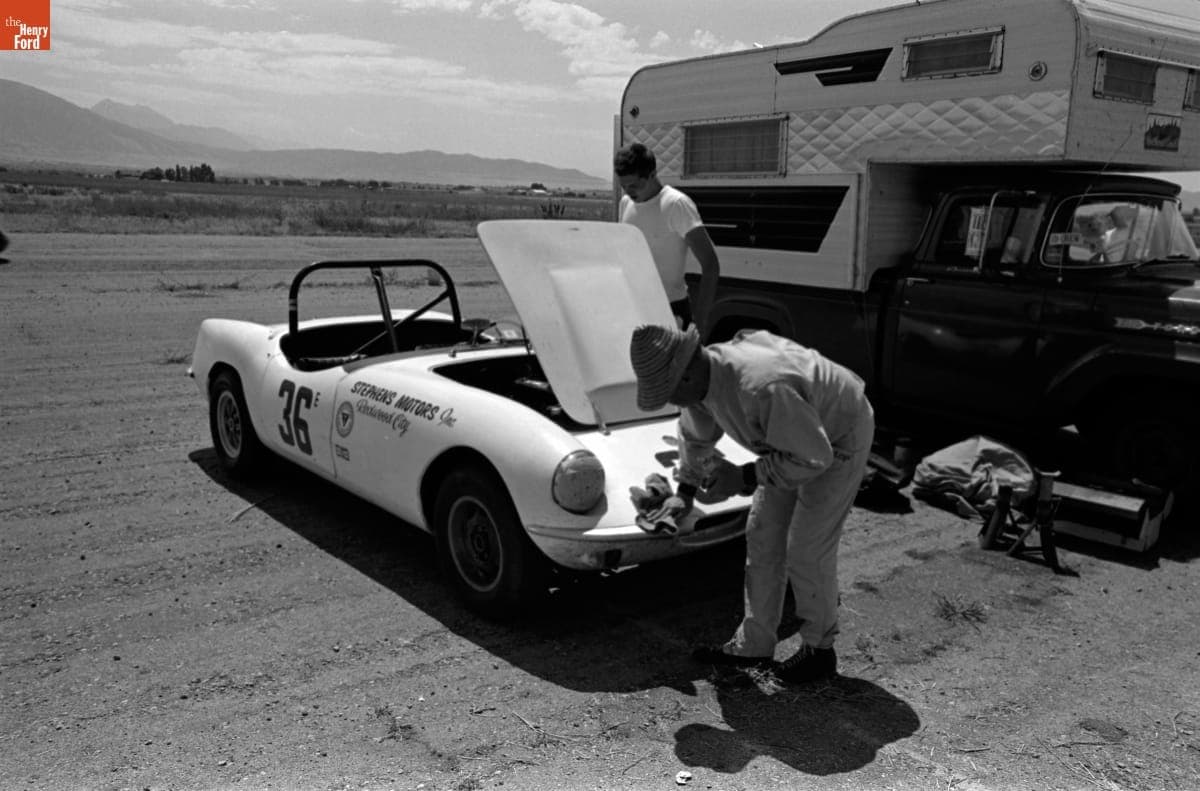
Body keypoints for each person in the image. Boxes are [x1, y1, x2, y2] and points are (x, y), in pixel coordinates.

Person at [629, 324, 875, 682]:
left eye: (670, 394)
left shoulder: (761, 386)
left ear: (686, 375)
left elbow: (813, 458)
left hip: (837, 437)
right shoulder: (702, 381)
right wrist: (685, 492)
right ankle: (754, 645)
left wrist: (743, 476)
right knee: (763, 535)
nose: (673, 402)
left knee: (807, 548)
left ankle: (819, 651)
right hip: (792, 439)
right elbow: (695, 435)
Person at [614, 143, 720, 334]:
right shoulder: (625, 203)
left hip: (671, 311)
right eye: (624, 186)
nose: (629, 191)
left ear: (652, 174)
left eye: (634, 185)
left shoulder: (676, 205)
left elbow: (710, 264)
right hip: (635, 307)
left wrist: (700, 323)